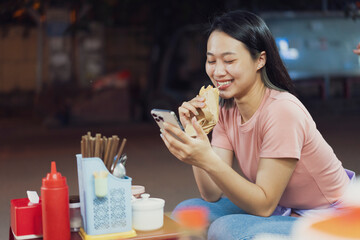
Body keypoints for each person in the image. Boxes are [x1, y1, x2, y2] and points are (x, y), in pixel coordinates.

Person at [160, 10, 354, 240]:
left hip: (329, 217)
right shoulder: (225, 109)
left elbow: (263, 205)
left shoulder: (282, 110)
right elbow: (210, 193)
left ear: (260, 60)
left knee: (226, 229)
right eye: (211, 60)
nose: (218, 71)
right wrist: (195, 133)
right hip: (283, 209)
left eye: (229, 60)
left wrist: (206, 158)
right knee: (188, 213)